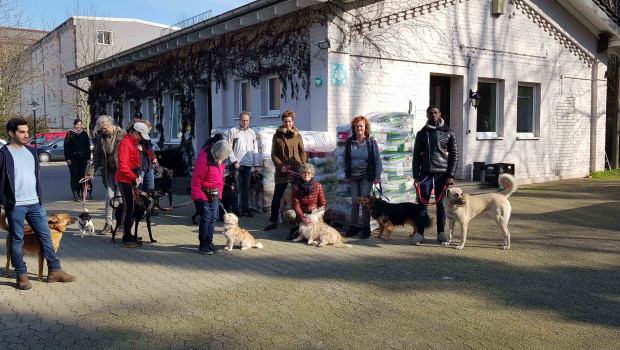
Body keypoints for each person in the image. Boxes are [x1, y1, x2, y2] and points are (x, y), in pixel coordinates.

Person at [0, 118, 76, 290]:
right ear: (11, 133)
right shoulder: (3, 154)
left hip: (34, 203)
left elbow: (34, 176)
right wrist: (4, 201)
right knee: (17, 240)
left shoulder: (31, 151)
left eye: (27, 131)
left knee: (46, 236)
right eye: (21, 132)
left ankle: (54, 271)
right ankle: (21, 276)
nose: (26, 135)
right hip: (15, 205)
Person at [411, 106, 458, 245]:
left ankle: (441, 233)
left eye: (436, 112)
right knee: (422, 205)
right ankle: (420, 233)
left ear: (440, 114)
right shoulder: (421, 134)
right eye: (430, 113)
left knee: (442, 205)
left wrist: (451, 175)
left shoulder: (449, 132)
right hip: (425, 174)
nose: (433, 115)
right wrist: (416, 176)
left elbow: (454, 155)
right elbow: (416, 157)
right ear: (427, 115)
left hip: (442, 175)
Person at [264, 110, 307, 232]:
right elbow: (274, 154)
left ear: (293, 122)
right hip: (282, 171)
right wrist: (280, 166)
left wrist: (304, 166)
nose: (287, 123)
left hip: (296, 171)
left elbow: (302, 152)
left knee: (297, 197)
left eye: (289, 121)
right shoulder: (276, 136)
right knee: (277, 197)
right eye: (285, 121)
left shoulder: (297, 136)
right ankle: (273, 221)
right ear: (282, 122)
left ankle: (298, 220)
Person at [191, 138, 233, 255]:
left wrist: (220, 194)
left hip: (214, 193)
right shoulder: (203, 159)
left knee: (214, 217)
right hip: (202, 193)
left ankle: (209, 242)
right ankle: (203, 244)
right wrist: (197, 197)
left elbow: (219, 179)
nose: (225, 159)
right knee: (206, 217)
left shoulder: (220, 161)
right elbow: (196, 179)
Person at [343, 116, 382, 239]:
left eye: (361, 126)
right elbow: (346, 159)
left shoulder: (370, 142)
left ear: (365, 128)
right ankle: (354, 226)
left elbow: (377, 160)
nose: (359, 128)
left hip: (366, 176)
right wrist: (347, 174)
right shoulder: (350, 142)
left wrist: (377, 176)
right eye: (356, 126)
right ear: (353, 128)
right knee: (355, 202)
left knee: (365, 203)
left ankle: (366, 228)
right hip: (353, 176)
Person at [85, 115, 125, 235]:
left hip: (121, 170)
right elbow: (97, 156)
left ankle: (122, 223)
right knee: (109, 196)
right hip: (109, 170)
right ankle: (108, 223)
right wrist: (90, 172)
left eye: (105, 128)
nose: (104, 131)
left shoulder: (122, 135)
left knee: (120, 196)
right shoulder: (101, 138)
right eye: (102, 129)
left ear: (110, 123)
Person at [114, 122, 151, 248]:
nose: (141, 139)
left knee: (131, 207)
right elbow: (123, 166)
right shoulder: (125, 143)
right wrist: (134, 177)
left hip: (130, 179)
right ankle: (126, 236)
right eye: (141, 136)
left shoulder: (132, 143)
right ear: (136, 132)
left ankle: (129, 234)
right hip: (125, 179)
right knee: (128, 208)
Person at [225, 111, 260, 218]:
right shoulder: (233, 131)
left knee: (246, 188)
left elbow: (255, 150)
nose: (245, 122)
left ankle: (245, 209)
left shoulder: (252, 133)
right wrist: (234, 161)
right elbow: (228, 147)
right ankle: (235, 209)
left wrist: (256, 164)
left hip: (248, 165)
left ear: (249, 121)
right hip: (235, 164)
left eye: (247, 120)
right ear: (239, 120)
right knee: (234, 188)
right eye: (243, 120)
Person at [286, 163, 326, 240]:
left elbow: (323, 204)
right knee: (290, 213)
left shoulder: (318, 186)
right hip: (302, 213)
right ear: (301, 174)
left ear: (312, 175)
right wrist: (303, 218)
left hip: (314, 213)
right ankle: (293, 229)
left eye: (309, 173)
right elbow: (296, 205)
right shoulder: (296, 187)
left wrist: (318, 215)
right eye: (304, 172)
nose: (306, 174)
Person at [64, 119, 91, 201]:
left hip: (83, 158)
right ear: (74, 125)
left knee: (82, 176)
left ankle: (82, 193)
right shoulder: (70, 134)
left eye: (80, 124)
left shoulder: (84, 134)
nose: (79, 126)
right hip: (73, 158)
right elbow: (66, 146)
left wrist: (88, 158)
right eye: (77, 124)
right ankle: (75, 194)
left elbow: (87, 146)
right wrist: (67, 158)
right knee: (74, 176)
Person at [128, 119, 156, 192]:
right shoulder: (135, 138)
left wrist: (154, 157)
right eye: (149, 130)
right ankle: (139, 202)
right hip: (140, 167)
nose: (149, 132)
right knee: (139, 188)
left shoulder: (147, 139)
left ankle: (148, 202)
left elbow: (150, 149)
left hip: (148, 165)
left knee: (150, 188)